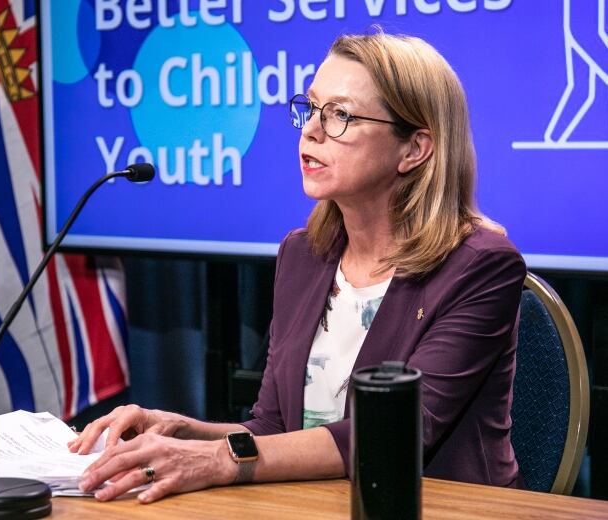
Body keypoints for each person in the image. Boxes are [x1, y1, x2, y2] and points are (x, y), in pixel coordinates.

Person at [68, 32, 526, 503]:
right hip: (315, 505)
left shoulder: (481, 267)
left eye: (341, 116)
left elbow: (390, 437)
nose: (310, 132)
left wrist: (216, 460)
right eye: (311, 109)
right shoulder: (304, 255)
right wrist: (184, 432)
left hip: (445, 508)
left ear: (414, 149)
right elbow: (274, 426)